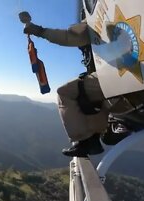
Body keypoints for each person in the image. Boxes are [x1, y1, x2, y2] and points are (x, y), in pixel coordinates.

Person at [21, 15, 109, 157]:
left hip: (116, 77)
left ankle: (85, 141)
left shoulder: (99, 17)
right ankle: (97, 138)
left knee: (65, 92)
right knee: (88, 94)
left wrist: (39, 31)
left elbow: (69, 37)